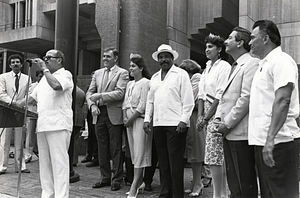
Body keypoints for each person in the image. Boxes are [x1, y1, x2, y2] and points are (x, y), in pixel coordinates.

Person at [248, 19, 299, 198]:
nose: (249, 42)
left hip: (279, 142)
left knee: (283, 194)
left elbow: (283, 100)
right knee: (269, 194)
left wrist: (270, 140)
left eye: (252, 37)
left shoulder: (282, 60)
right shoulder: (264, 64)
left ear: (265, 38)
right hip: (264, 142)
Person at [19, 49, 74, 197]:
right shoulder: (44, 79)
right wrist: (16, 105)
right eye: (45, 58)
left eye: (49, 57)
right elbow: (32, 98)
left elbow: (56, 86)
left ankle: (61, 195)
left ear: (59, 60)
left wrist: (44, 68)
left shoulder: (65, 74)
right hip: (43, 125)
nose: (46, 60)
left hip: (58, 125)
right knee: (45, 163)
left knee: (59, 163)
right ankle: (47, 194)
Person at [213, 27, 259, 197]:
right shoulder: (234, 66)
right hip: (228, 132)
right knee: (234, 182)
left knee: (243, 183)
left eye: (230, 38)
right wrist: (218, 118)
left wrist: (227, 123)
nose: (226, 41)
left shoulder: (251, 63)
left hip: (240, 133)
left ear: (240, 43)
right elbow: (224, 96)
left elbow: (245, 99)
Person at [144, 44, 194, 198]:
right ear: (158, 60)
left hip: (175, 124)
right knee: (163, 163)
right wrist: (147, 119)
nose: (163, 59)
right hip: (159, 124)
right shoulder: (154, 77)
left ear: (172, 58)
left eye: (166, 56)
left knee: (175, 163)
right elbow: (150, 101)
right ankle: (165, 193)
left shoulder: (181, 74)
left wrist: (183, 120)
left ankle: (177, 195)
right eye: (161, 57)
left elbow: (188, 100)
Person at [86, 47, 129, 191]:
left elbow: (120, 93)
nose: (104, 59)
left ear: (115, 58)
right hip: (98, 114)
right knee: (101, 148)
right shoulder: (97, 73)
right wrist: (92, 105)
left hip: (114, 114)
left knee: (115, 148)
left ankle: (117, 179)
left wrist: (100, 96)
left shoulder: (122, 73)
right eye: (103, 56)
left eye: (108, 57)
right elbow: (89, 92)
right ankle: (105, 177)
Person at [196, 33, 231, 198]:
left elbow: (220, 95)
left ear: (219, 49)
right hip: (206, 113)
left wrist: (207, 117)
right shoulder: (207, 68)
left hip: (218, 112)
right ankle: (221, 193)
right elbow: (201, 94)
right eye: (206, 46)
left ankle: (219, 194)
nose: (207, 49)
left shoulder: (224, 66)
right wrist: (200, 115)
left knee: (215, 155)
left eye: (211, 46)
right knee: (211, 155)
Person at [122, 53, 152, 198]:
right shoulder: (129, 84)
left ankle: (135, 186)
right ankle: (139, 182)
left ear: (140, 68)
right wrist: (125, 119)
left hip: (138, 121)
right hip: (128, 123)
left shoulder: (146, 83)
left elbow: (143, 105)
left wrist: (131, 119)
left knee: (140, 152)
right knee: (134, 153)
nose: (130, 69)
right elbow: (125, 103)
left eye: (133, 66)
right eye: (130, 66)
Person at [0, 54, 31, 174]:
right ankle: (2, 166)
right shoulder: (3, 77)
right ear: (9, 65)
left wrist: (21, 104)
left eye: (17, 62)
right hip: (6, 111)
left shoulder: (27, 78)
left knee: (20, 140)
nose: (15, 64)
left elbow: (29, 93)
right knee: (4, 140)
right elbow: (1, 93)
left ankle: (21, 166)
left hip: (20, 112)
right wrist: (14, 103)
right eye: (13, 62)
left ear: (21, 64)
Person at [180, 59, 206, 197]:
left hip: (195, 117)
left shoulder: (197, 78)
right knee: (192, 152)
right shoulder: (191, 80)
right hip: (188, 117)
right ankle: (195, 182)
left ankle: (198, 183)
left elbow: (189, 97)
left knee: (196, 152)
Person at [25, 69, 43, 163]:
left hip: (42, 114)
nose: (42, 78)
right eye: (40, 76)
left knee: (41, 134)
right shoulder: (33, 86)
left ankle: (38, 151)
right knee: (30, 134)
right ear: (37, 77)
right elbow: (29, 98)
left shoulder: (47, 86)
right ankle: (28, 154)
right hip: (33, 112)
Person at [81, 71, 99, 167]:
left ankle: (96, 157)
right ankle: (89, 155)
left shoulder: (99, 87)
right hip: (89, 112)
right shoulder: (90, 87)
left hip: (97, 111)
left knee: (96, 135)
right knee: (90, 134)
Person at [72, 86, 86, 166]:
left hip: (70, 117)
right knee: (76, 139)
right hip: (79, 117)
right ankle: (74, 160)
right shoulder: (81, 92)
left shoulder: (70, 91)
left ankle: (70, 159)